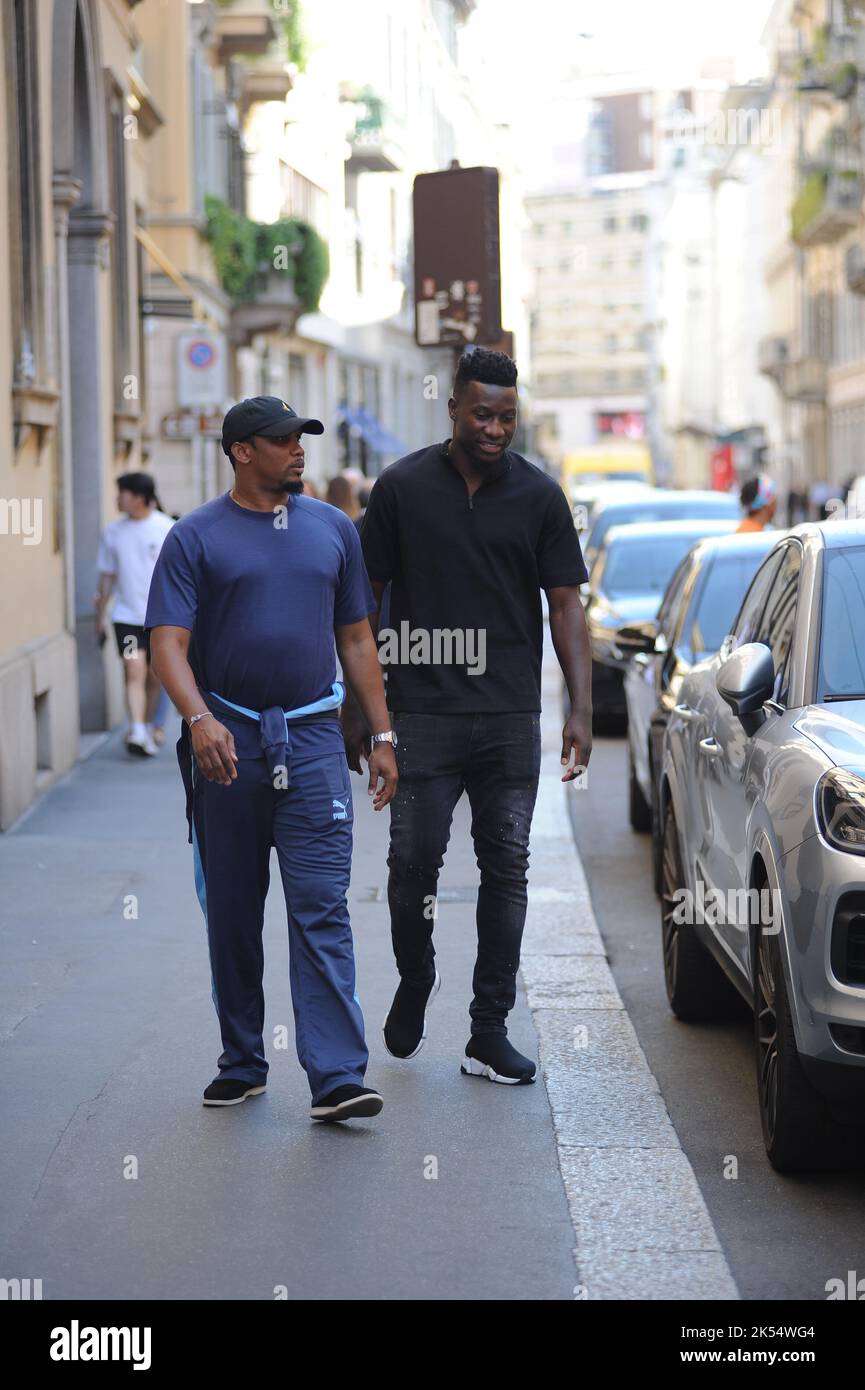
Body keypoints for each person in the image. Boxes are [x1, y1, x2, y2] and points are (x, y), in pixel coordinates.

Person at [344, 348, 593, 1086]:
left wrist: (577, 706)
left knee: (506, 870)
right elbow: (363, 603)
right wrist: (360, 709)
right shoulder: (400, 489)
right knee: (411, 867)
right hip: (419, 714)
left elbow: (566, 606)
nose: (494, 428)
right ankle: (416, 977)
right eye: (481, 413)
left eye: (506, 416)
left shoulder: (540, 497)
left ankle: (488, 1030)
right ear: (451, 407)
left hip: (510, 716)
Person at [146, 396, 397, 1123]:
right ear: (240, 452)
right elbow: (167, 643)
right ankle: (243, 1059)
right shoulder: (195, 537)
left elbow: (355, 640)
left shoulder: (332, 531)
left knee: (321, 906)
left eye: (300, 438)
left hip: (315, 741)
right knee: (232, 909)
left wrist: (381, 736)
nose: (297, 450)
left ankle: (338, 1075)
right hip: (226, 742)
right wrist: (199, 720)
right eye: (280, 440)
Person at [95, 472, 174, 757]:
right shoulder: (113, 533)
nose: (117, 498)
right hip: (126, 618)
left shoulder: (166, 528)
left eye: (121, 493)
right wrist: (99, 616)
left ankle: (149, 726)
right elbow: (106, 578)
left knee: (155, 677)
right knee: (134, 670)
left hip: (161, 619)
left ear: (138, 497)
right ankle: (138, 730)